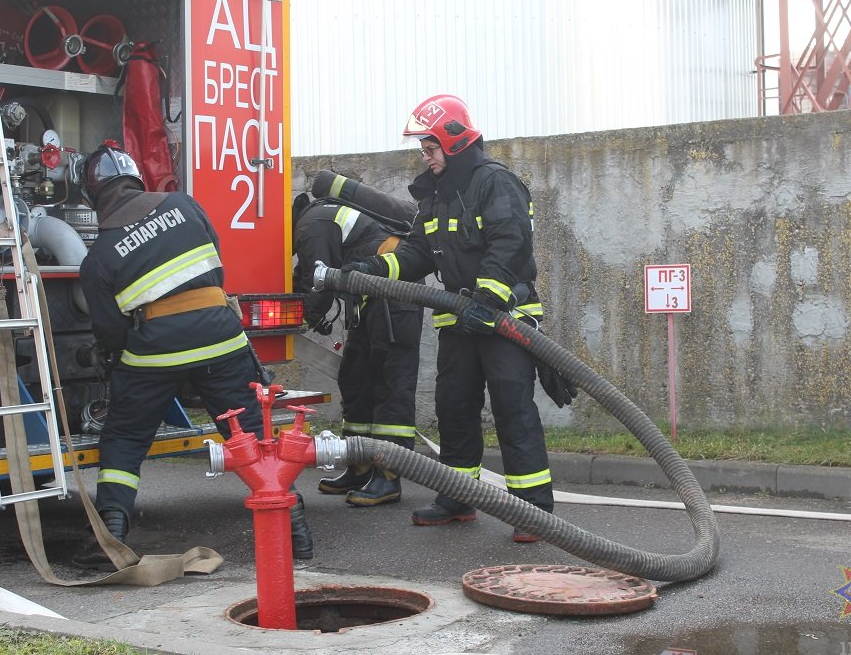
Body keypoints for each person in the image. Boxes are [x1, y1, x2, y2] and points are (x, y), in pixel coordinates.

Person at [73, 143, 313, 568]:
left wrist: (119, 361)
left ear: (94, 196)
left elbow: (110, 332)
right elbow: (215, 258)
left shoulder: (99, 255)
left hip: (155, 355)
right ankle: (294, 527)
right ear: (136, 180)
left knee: (126, 438)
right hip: (222, 338)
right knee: (250, 433)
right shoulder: (184, 205)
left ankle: (111, 538)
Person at [344, 95, 553, 543]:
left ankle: (534, 511)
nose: (425, 156)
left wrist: (487, 299)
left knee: (512, 410)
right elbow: (419, 252)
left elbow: (510, 242)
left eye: (430, 148)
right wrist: (378, 270)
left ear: (455, 141)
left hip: (503, 320)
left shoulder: (494, 183)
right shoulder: (436, 195)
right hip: (458, 321)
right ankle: (459, 496)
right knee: (454, 410)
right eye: (423, 149)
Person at [292, 192, 423, 506]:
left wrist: (299, 322)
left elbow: (318, 287)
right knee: (356, 378)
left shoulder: (310, 226)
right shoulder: (318, 219)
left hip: (394, 291)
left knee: (389, 381)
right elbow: (307, 277)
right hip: (369, 298)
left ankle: (389, 475)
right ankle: (360, 465)